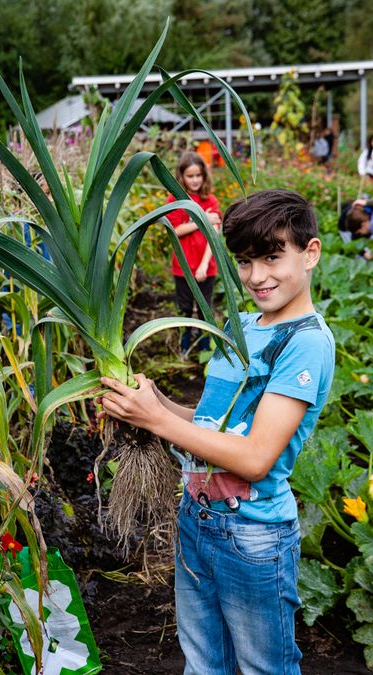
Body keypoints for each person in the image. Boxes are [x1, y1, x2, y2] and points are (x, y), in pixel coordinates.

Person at [99, 189, 335, 675]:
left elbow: (252, 459)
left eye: (273, 257)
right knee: (204, 662)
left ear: (310, 253)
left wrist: (157, 421)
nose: (257, 276)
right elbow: (210, 427)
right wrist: (153, 404)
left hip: (254, 535)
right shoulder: (242, 325)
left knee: (262, 667)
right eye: (245, 262)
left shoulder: (307, 342)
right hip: (196, 520)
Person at [166, 151, 223, 356]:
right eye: (190, 176)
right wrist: (202, 220)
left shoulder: (210, 200)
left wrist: (204, 265)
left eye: (199, 175)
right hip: (183, 266)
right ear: (181, 176)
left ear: (204, 175)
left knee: (205, 307)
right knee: (184, 307)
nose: (195, 180)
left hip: (205, 266)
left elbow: (213, 234)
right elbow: (175, 230)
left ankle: (205, 346)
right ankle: (185, 343)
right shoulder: (175, 200)